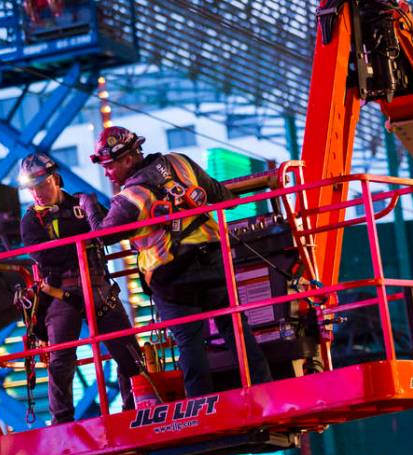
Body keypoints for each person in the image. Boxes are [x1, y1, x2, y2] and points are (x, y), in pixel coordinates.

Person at [81, 126, 272, 398]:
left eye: (109, 166)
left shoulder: (131, 199)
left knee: (190, 345)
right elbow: (224, 198)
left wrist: (89, 205)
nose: (107, 173)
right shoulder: (178, 162)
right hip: (215, 263)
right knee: (236, 330)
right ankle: (264, 391)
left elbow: (103, 236)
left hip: (172, 279)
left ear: (127, 160)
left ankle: (202, 409)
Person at [18, 152, 142, 424]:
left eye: (41, 185)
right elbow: (47, 257)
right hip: (61, 295)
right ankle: (62, 421)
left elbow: (112, 228)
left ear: (55, 179)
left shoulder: (81, 204)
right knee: (61, 360)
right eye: (32, 188)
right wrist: (86, 237)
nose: (37, 193)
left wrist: (93, 212)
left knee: (129, 353)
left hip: (99, 289)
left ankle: (133, 411)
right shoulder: (31, 221)